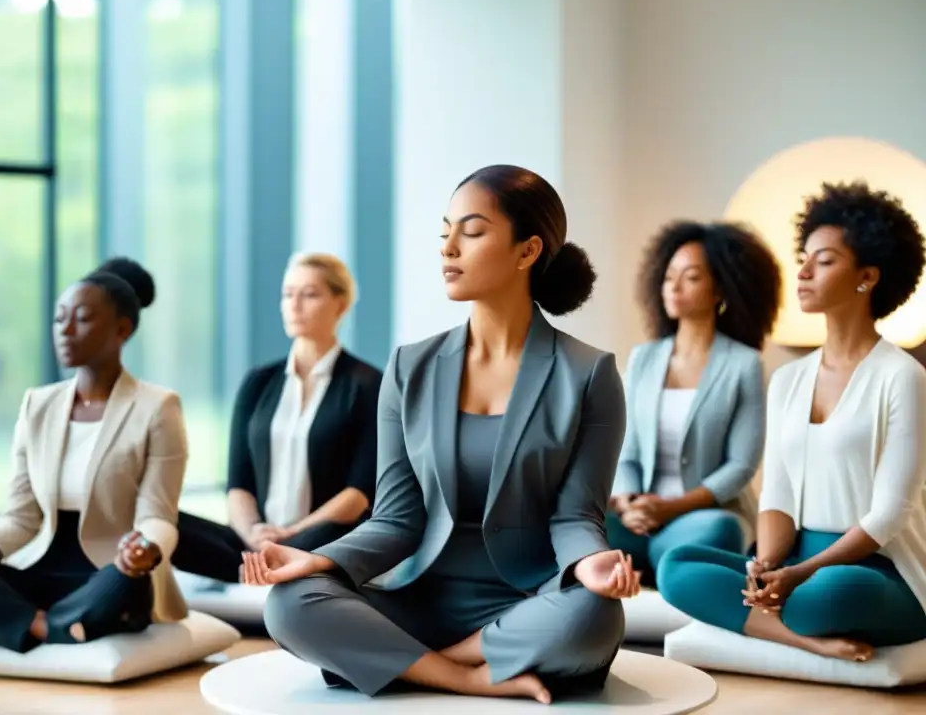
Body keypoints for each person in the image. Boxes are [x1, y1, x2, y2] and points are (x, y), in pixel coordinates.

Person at [240, 164, 641, 705]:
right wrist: (322, 559)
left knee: (594, 616)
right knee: (287, 604)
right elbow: (395, 519)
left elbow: (576, 516)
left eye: (471, 232)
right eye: (445, 231)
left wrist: (591, 563)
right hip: (417, 598)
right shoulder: (410, 367)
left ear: (527, 251)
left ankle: (407, 660)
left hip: (527, 603)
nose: (448, 247)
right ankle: (464, 674)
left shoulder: (588, 374)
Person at [658, 181, 926, 663]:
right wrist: (768, 565)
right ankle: (803, 640)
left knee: (830, 594)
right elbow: (778, 493)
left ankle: (792, 614)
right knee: (677, 567)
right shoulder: (788, 379)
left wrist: (800, 576)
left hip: (878, 570)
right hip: (799, 560)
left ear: (867, 276)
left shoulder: (903, 377)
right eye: (803, 257)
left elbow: (890, 515)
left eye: (823, 261)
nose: (802, 272)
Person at [0, 258, 190, 654]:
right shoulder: (37, 405)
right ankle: (55, 627)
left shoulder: (158, 406)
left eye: (81, 318)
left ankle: (12, 623)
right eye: (59, 318)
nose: (65, 328)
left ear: (121, 330)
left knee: (121, 586)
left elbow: (158, 516)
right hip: (42, 568)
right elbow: (21, 519)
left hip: (112, 570)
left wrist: (144, 549)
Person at [172, 253, 382, 584]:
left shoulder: (369, 385)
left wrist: (291, 533)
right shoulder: (257, 382)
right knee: (163, 522)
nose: (294, 304)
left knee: (333, 535)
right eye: (288, 294)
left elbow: (357, 496)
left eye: (309, 294)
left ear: (340, 305)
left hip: (318, 537)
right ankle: (259, 568)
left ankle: (263, 569)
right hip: (253, 539)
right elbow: (238, 483)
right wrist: (254, 532)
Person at [608, 221, 782, 584]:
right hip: (637, 517)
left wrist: (668, 509)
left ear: (719, 288)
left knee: (722, 531)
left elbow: (740, 466)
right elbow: (625, 450)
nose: (674, 286)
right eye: (669, 275)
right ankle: (659, 567)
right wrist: (628, 505)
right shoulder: (644, 358)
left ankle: (651, 567)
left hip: (699, 517)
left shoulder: (743, 364)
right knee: (570, 518)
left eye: (690, 277)